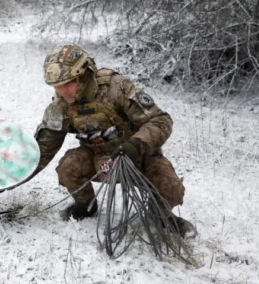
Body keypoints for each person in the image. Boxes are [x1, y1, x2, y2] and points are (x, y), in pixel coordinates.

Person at [32, 44, 196, 238]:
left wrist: (135, 146)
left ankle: (161, 216)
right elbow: (43, 148)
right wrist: (10, 178)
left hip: (138, 156)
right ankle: (85, 207)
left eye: (68, 83)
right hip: (99, 160)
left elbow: (160, 121)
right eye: (57, 86)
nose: (63, 91)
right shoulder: (60, 106)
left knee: (170, 187)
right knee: (69, 166)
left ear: (83, 75)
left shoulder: (116, 88)